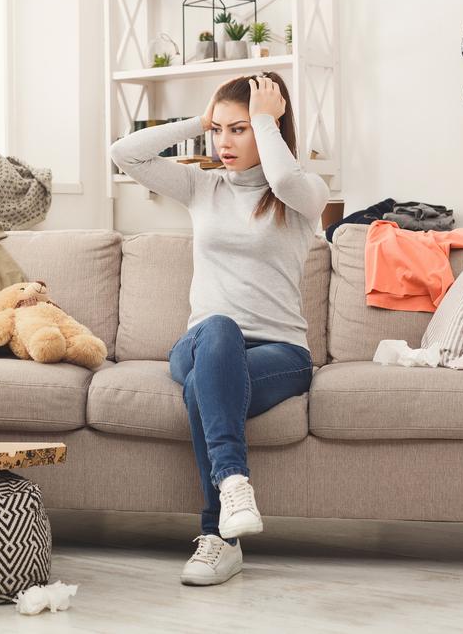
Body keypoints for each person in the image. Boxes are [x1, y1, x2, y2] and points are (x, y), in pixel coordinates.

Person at [107, 73, 327, 586]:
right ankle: (233, 484)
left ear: (270, 130)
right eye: (218, 131)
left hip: (281, 353)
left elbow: (287, 178)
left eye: (240, 130)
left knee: (207, 390)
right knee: (219, 331)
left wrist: (267, 121)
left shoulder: (303, 197)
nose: (223, 143)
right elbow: (124, 153)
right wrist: (197, 120)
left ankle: (218, 540)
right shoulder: (201, 185)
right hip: (202, 340)